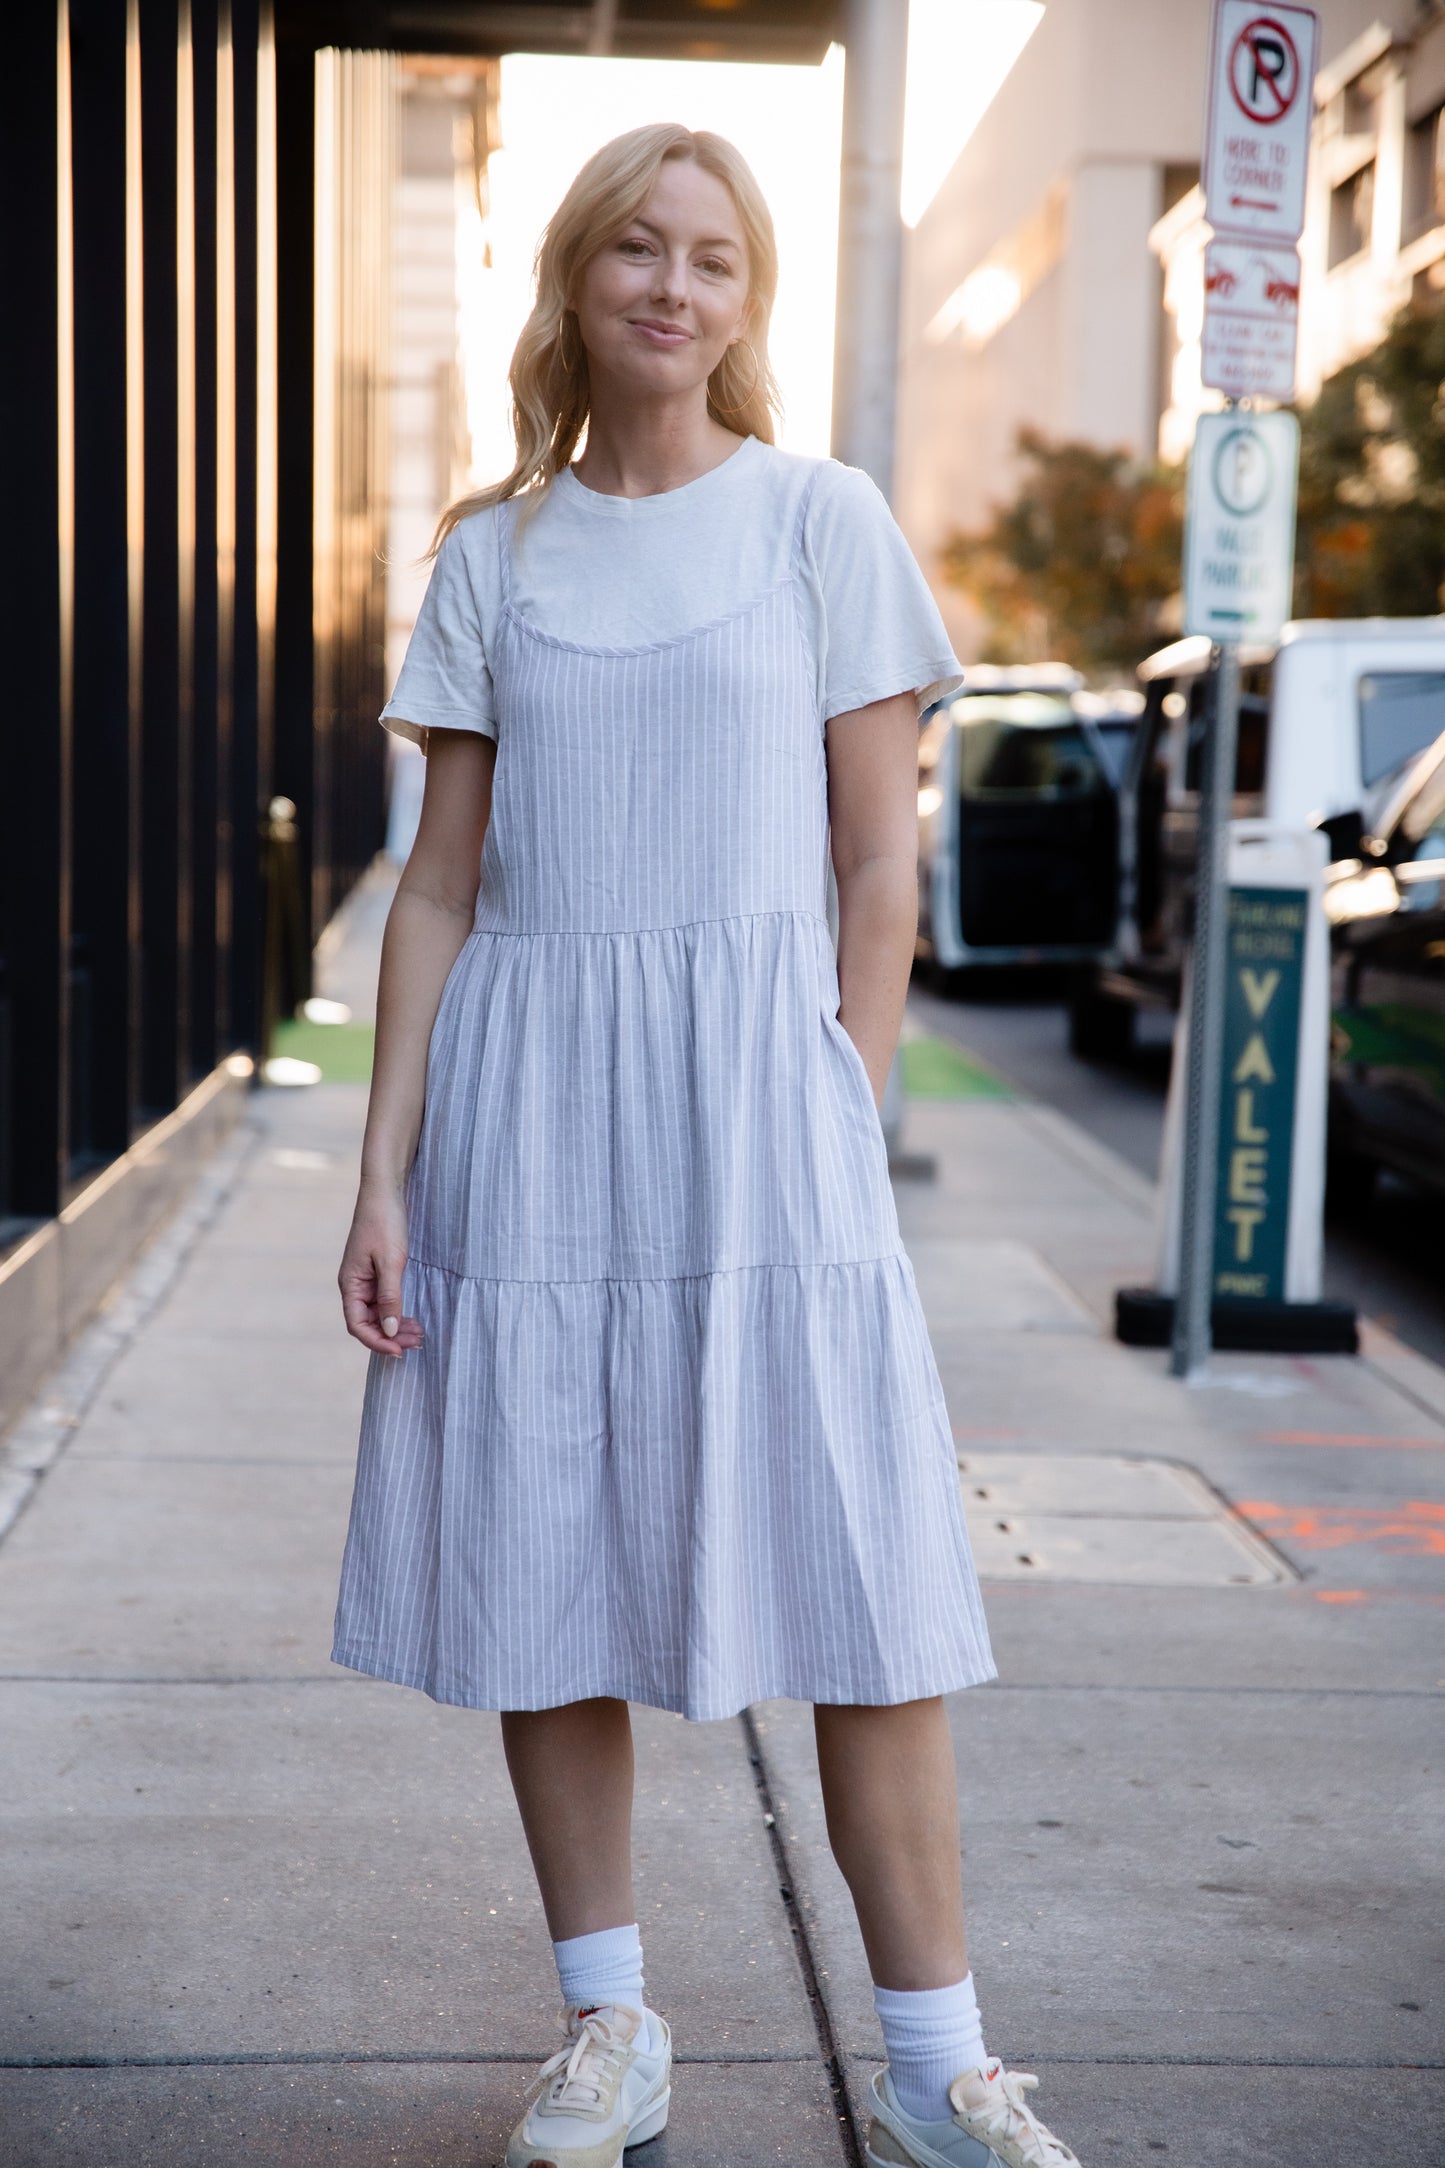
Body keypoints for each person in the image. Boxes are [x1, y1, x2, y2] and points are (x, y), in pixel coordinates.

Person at [333, 123, 1079, 2168]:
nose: (672, 286)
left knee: (863, 1584)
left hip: (765, 1113)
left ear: (751, 303)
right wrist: (385, 1170)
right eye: (635, 251)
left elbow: (872, 865)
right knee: (545, 1569)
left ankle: (939, 2063)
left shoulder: (820, 522)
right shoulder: (494, 555)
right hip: (534, 1111)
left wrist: (848, 1102)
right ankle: (607, 2025)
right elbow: (435, 891)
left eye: (715, 260)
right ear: (574, 279)